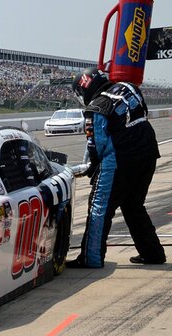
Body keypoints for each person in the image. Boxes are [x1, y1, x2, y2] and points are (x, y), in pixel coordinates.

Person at [66, 68, 166, 269]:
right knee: (133, 205)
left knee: (99, 206)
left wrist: (92, 168)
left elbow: (97, 145)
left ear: (84, 87)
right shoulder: (129, 87)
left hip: (120, 160)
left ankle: (91, 257)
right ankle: (152, 253)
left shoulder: (96, 107)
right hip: (148, 155)